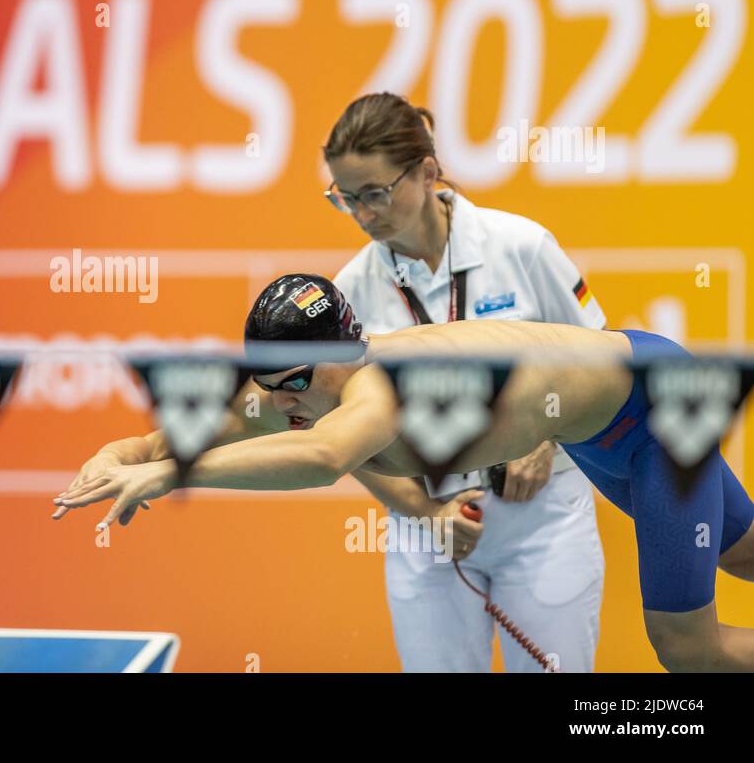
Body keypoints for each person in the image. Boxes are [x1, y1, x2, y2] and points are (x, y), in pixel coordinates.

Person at [51, 275, 754, 672]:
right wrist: (125, 455)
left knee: (688, 650)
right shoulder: (304, 388)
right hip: (608, 426)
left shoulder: (380, 388)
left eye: (294, 381)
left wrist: (175, 477)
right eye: (270, 384)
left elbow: (321, 458)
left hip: (655, 405)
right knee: (744, 557)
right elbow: (190, 433)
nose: (284, 401)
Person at [323, 92, 604, 672]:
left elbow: (604, 365)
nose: (363, 214)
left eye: (375, 193)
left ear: (427, 172)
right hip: (427, 529)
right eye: (345, 198)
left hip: (542, 520)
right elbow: (340, 434)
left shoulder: (522, 247)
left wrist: (544, 437)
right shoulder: (349, 291)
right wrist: (425, 516)